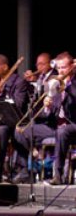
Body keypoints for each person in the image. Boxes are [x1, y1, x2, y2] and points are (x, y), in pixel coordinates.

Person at [0, 54, 30, 183]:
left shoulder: (18, 82)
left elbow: (18, 104)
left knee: (8, 132)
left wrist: (2, 91)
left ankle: (20, 170)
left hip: (16, 120)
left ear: (5, 67)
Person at [48, 51, 76, 185]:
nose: (60, 70)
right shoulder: (56, 84)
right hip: (57, 125)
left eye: (63, 67)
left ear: (72, 66)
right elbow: (52, 111)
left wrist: (67, 86)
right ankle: (23, 171)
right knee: (24, 131)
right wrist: (48, 106)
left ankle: (58, 175)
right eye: (58, 68)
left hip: (73, 124)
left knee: (62, 131)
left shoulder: (73, 83)